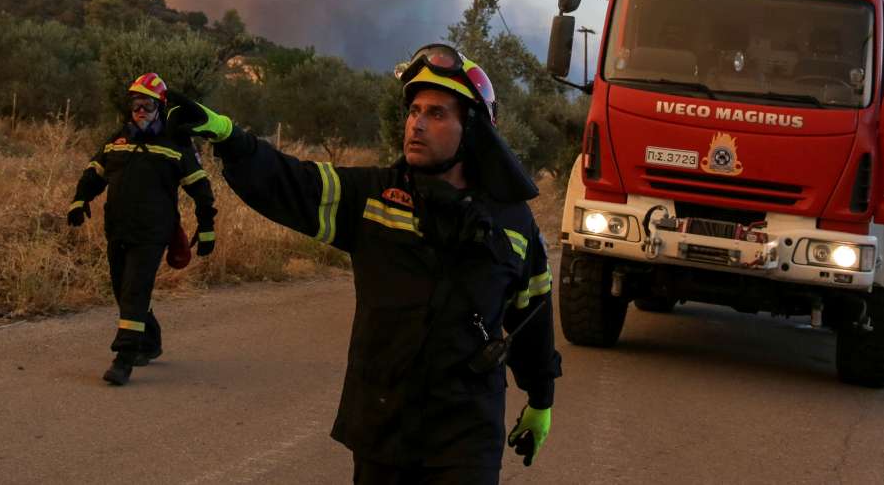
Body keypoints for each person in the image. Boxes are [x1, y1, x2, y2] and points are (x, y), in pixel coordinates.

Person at [168, 44, 561, 484]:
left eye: (436, 114)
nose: (417, 124)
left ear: (472, 129)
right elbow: (291, 181)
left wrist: (541, 398)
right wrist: (228, 137)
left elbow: (533, 313)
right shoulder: (371, 197)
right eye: (413, 111)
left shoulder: (513, 222)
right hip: (382, 427)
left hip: (465, 435)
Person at [67, 72, 218, 385]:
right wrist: (79, 201)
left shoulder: (176, 145)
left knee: (135, 290)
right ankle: (150, 342)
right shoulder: (116, 140)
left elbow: (201, 190)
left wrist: (206, 229)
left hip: (153, 233)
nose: (140, 110)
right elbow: (94, 173)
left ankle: (124, 358)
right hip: (118, 229)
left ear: (159, 108)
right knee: (123, 290)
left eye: (148, 104)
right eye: (136, 103)